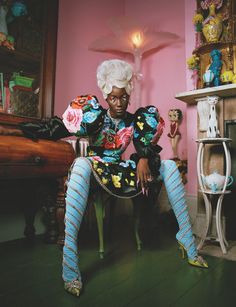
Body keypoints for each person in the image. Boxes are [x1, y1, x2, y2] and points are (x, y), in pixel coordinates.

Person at [0, 59, 208, 297]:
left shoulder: (138, 120)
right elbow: (56, 128)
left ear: (129, 94)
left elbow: (144, 144)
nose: (118, 103)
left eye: (123, 97)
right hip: (97, 167)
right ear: (106, 96)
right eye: (113, 98)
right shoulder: (93, 115)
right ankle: (69, 259)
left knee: (170, 166)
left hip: (120, 169)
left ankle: (187, 241)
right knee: (79, 163)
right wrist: (13, 131)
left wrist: (143, 157)